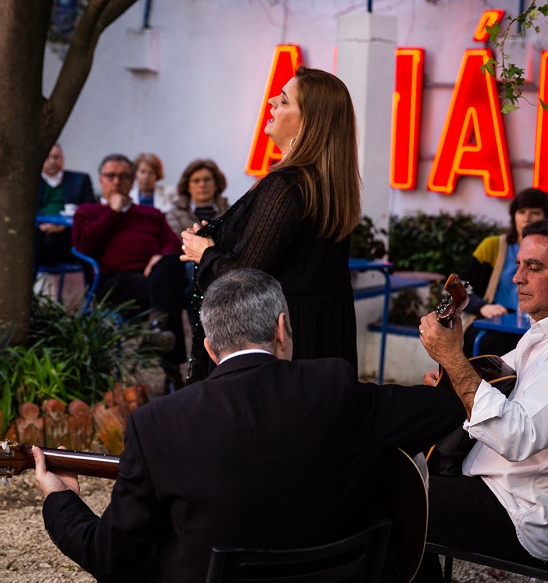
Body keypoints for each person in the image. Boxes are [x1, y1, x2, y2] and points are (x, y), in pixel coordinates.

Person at [32, 268, 467, 583]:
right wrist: (452, 359)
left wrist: (61, 498)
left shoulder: (157, 423)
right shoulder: (334, 387)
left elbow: (111, 558)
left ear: (209, 347)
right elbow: (448, 411)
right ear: (282, 328)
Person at [412, 218, 548, 583]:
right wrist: (454, 377)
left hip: (529, 517)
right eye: (519, 264)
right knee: (391, 475)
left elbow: (515, 437)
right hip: (508, 491)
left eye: (534, 267)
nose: (517, 278)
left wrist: (454, 360)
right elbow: (496, 382)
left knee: (391, 500)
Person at [180, 67, 361, 382]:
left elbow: (245, 274)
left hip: (284, 346)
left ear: (308, 122)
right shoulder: (323, 184)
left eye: (284, 101)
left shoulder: (287, 185)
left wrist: (205, 252)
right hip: (320, 336)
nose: (272, 104)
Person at [72, 154, 187, 391]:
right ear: (100, 180)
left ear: (132, 181)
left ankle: (156, 325)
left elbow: (173, 243)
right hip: (114, 281)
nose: (116, 181)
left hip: (152, 276)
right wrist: (113, 212)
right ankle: (173, 372)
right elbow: (84, 245)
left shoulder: (150, 214)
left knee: (172, 262)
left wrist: (160, 256)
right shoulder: (88, 211)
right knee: (172, 295)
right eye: (110, 176)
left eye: (123, 176)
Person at [457, 187, 548, 357]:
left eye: (535, 213)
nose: (527, 218)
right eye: (521, 212)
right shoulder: (492, 246)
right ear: (513, 216)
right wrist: (482, 307)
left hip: (536, 327)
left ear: (547, 217)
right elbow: (458, 289)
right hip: (495, 323)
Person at [35, 144, 96, 267]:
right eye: (47, 157)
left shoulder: (80, 180)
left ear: (63, 159)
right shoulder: (31, 183)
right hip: (38, 233)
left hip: (68, 235)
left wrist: (61, 227)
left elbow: (90, 210)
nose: (52, 161)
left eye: (56, 157)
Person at [164, 159, 230, 236]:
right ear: (187, 186)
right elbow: (174, 243)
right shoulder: (174, 214)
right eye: (196, 181)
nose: (202, 185)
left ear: (216, 184)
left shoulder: (230, 212)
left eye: (207, 179)